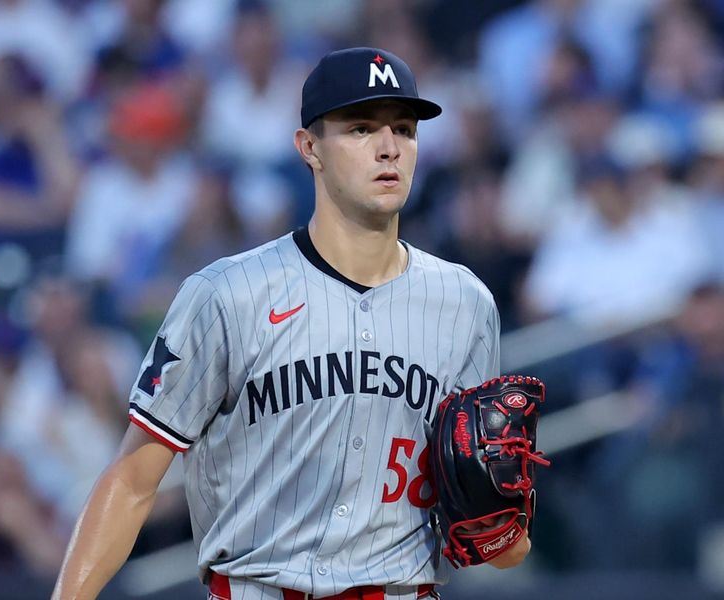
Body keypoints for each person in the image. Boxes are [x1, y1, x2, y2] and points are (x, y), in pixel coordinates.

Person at [52, 47, 529, 600]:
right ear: (310, 149)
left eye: (404, 128)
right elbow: (133, 479)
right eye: (359, 128)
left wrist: (500, 524)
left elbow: (505, 540)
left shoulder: (466, 303)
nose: (388, 147)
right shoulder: (226, 294)